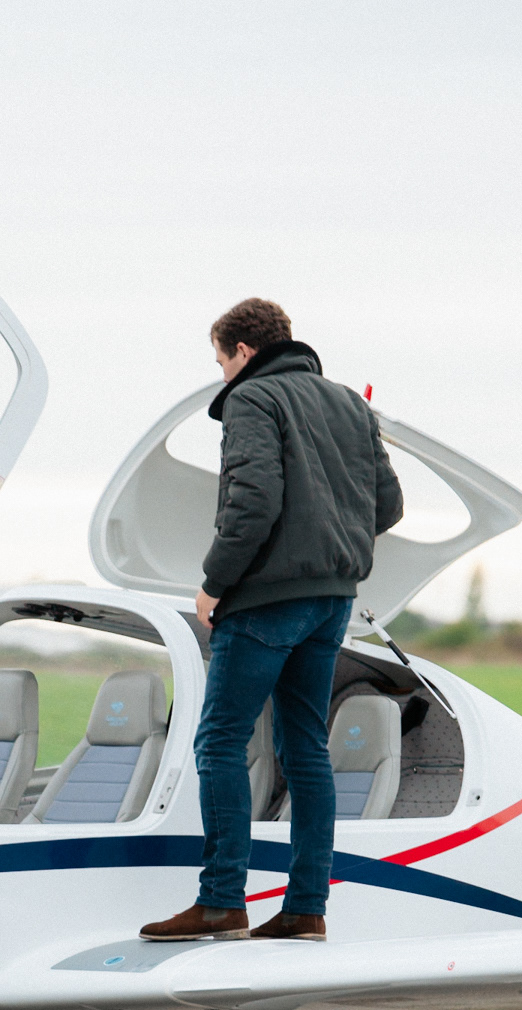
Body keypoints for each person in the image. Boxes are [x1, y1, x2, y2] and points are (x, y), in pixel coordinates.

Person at [140, 298, 403, 943]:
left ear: (244, 351)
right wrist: (330, 541)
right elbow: (389, 504)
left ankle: (221, 901)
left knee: (219, 741)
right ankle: (306, 908)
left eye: (221, 361)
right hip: (333, 600)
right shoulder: (351, 404)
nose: (223, 374)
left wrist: (214, 583)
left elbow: (252, 500)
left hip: (265, 601)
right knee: (306, 749)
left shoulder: (252, 399)